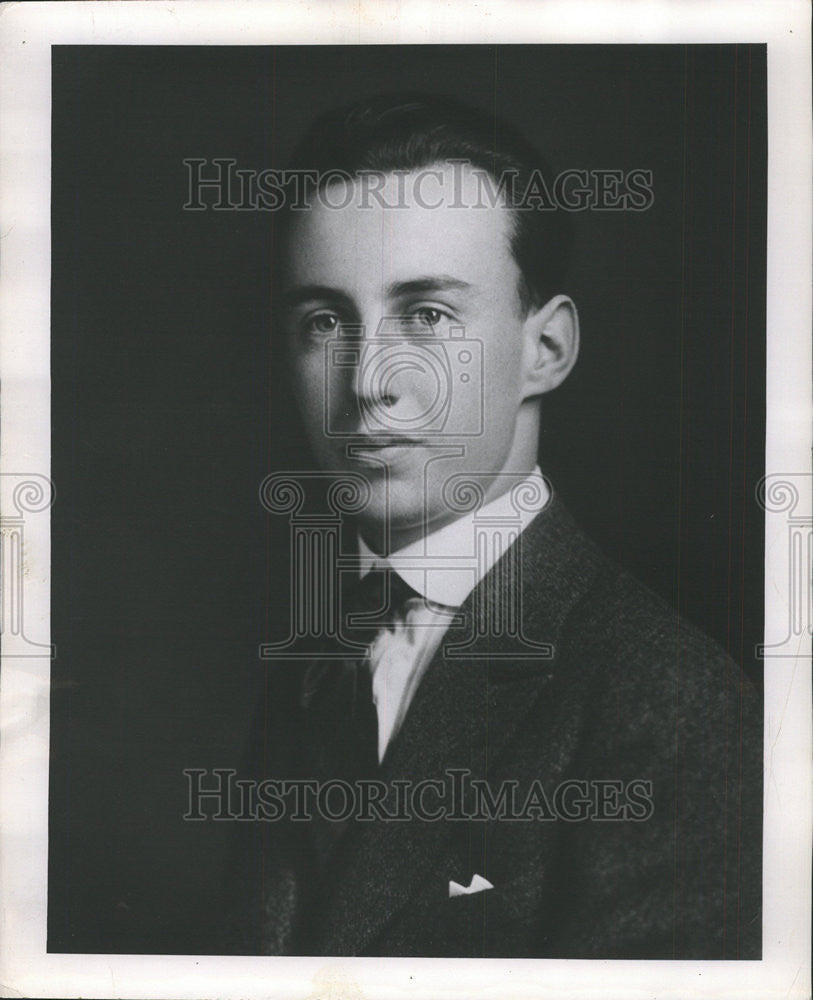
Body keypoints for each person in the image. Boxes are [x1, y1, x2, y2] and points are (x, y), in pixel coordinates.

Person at [228, 94, 762, 958]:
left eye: (427, 316)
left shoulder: (673, 712)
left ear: (544, 350)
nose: (368, 381)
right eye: (325, 322)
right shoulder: (316, 665)